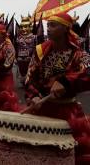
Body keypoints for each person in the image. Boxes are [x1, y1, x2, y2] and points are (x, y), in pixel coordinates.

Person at [23, 13, 90, 164]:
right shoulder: (40, 51)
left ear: (66, 28)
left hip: (68, 111)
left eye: (53, 25)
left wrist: (66, 82)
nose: (48, 29)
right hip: (42, 107)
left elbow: (87, 72)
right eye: (48, 25)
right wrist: (33, 96)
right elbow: (29, 78)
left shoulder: (78, 53)